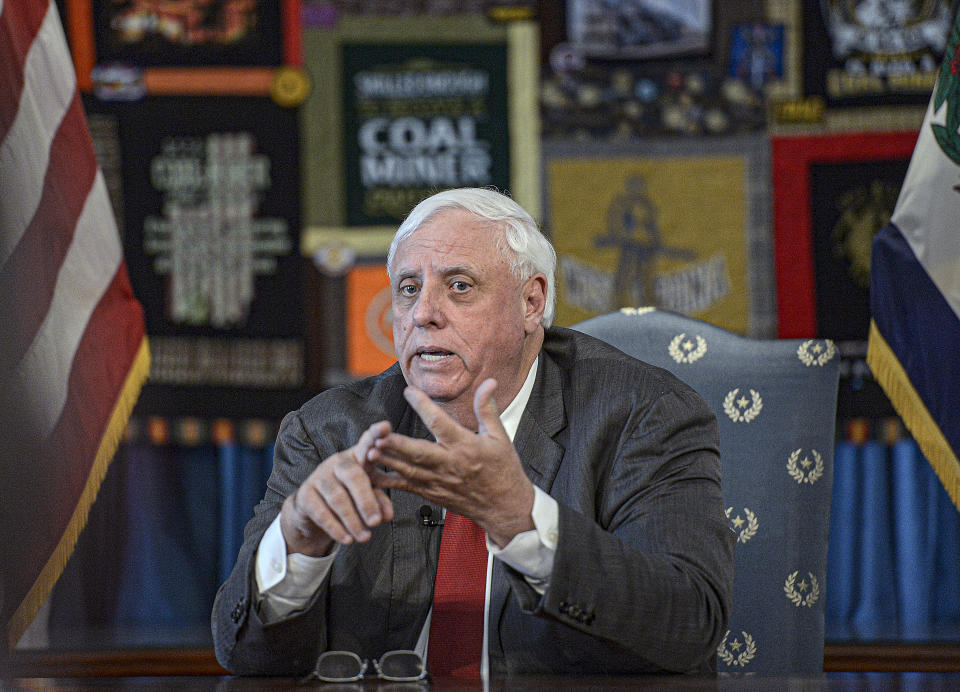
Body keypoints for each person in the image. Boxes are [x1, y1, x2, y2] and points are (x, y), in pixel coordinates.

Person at [211, 187, 734, 678]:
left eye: (459, 286)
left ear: (531, 303)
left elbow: (689, 623)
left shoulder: (643, 416)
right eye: (409, 289)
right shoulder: (331, 429)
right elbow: (244, 657)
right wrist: (296, 543)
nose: (424, 315)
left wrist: (522, 520)